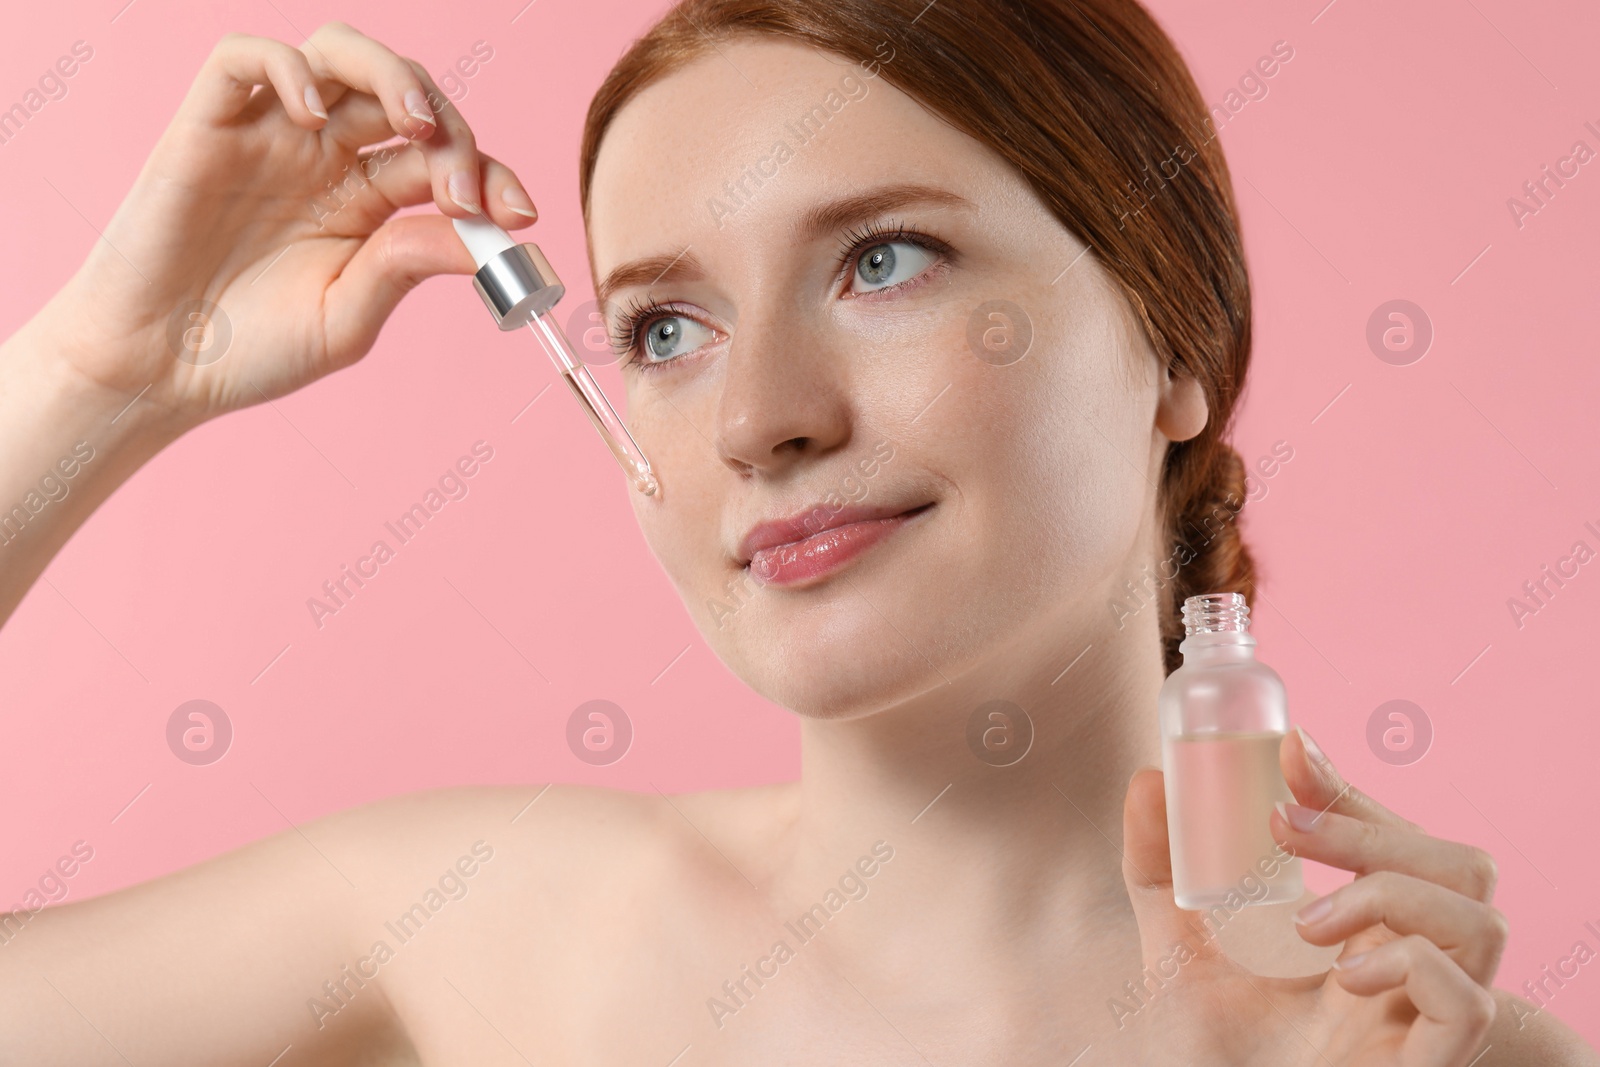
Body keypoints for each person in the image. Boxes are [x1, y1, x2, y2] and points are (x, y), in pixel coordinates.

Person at [1, 3, 1594, 1064]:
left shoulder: (1425, 1047)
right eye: (668, 330)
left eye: (886, 261)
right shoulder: (474, 929)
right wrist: (100, 376)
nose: (761, 416)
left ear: (1174, 342)